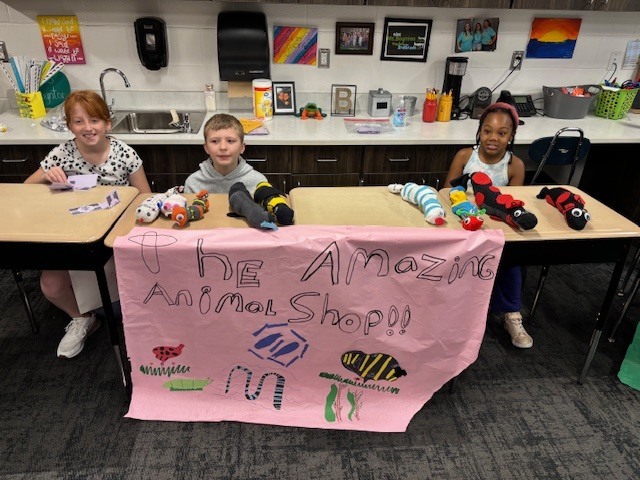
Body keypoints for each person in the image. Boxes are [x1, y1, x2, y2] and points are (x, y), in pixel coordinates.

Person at [24, 90, 151, 358]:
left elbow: (145, 197)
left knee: (129, 287)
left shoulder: (125, 154)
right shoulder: (61, 154)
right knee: (51, 285)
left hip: (111, 234)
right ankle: (82, 318)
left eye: (94, 120)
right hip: (69, 233)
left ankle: (135, 322)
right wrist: (49, 178)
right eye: (78, 122)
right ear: (69, 126)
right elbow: (26, 190)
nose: (87, 128)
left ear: (107, 123)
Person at [444, 102, 533, 349]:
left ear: (511, 136)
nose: (493, 138)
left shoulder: (514, 166)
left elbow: (511, 207)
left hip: (496, 229)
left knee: (513, 262)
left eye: (501, 133)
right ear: (480, 131)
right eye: (487, 131)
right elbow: (448, 192)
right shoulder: (465, 156)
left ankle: (511, 315)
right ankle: (453, 312)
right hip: (464, 224)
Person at [184, 113, 267, 194]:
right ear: (206, 148)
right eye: (215, 141)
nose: (223, 147)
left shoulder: (258, 183)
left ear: (242, 147)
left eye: (230, 141)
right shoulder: (193, 184)